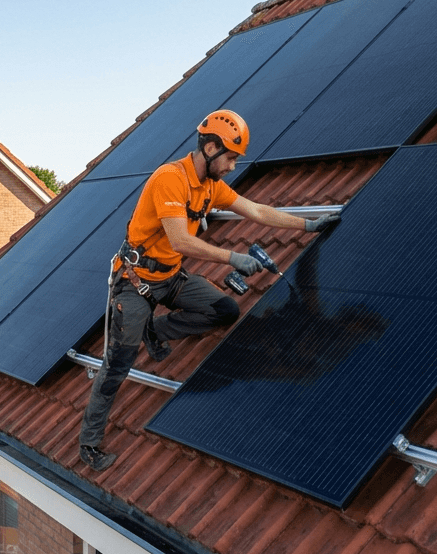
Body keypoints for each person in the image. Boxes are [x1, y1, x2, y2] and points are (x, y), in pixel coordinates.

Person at [78, 110, 341, 472]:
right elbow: (180, 240)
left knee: (225, 310)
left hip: (171, 277)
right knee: (118, 364)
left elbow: (257, 211)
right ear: (212, 148)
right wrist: (232, 258)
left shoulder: (210, 186)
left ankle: (154, 330)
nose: (233, 166)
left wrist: (308, 225)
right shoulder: (170, 179)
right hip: (135, 283)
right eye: (231, 157)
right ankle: (89, 442)